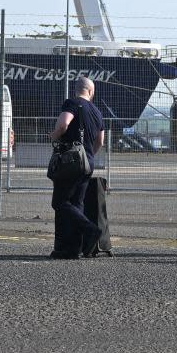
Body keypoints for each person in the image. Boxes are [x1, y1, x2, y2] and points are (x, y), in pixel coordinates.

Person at [47, 77, 105, 259]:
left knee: (59, 203)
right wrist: (88, 156)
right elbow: (100, 141)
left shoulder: (72, 103)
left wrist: (54, 137)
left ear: (77, 89)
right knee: (77, 204)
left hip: (70, 162)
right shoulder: (97, 112)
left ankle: (91, 230)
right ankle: (73, 249)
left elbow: (64, 123)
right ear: (90, 91)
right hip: (88, 162)